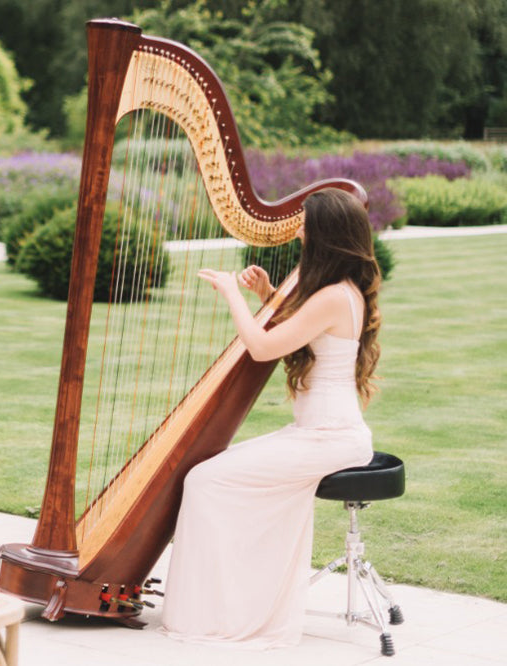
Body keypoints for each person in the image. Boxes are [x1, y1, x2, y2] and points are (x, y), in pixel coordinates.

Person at [160, 187, 382, 649]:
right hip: (318, 433)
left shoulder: (333, 296)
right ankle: (231, 599)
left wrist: (231, 294)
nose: (296, 226)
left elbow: (260, 347)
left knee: (206, 482)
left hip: (330, 437)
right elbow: (299, 338)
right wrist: (266, 295)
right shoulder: (334, 292)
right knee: (209, 479)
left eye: (305, 221)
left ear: (324, 233)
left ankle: (230, 608)